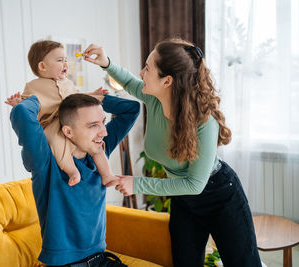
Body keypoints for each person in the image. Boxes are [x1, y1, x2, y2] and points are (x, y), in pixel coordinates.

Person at [83, 39, 262, 267]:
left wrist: (137, 184)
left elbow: (195, 184)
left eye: (148, 68)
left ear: (167, 81)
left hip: (219, 195)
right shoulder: (154, 99)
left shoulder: (204, 123)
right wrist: (106, 63)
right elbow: (129, 81)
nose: (141, 72)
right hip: (183, 200)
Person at [10, 92, 139, 266]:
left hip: (101, 260)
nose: (104, 132)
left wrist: (93, 97)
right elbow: (21, 112)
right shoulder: (45, 162)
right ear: (68, 131)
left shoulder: (99, 153)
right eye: (93, 125)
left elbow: (132, 109)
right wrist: (51, 99)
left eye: (103, 122)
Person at [6, 40, 116, 187]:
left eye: (65, 60)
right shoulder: (33, 87)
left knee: (96, 143)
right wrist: (17, 103)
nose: (65, 64)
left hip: (71, 121)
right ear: (42, 66)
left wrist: (92, 95)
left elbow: (77, 97)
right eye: (60, 60)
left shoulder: (68, 83)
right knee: (55, 140)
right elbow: (27, 106)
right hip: (51, 123)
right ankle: (72, 171)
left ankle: (107, 175)